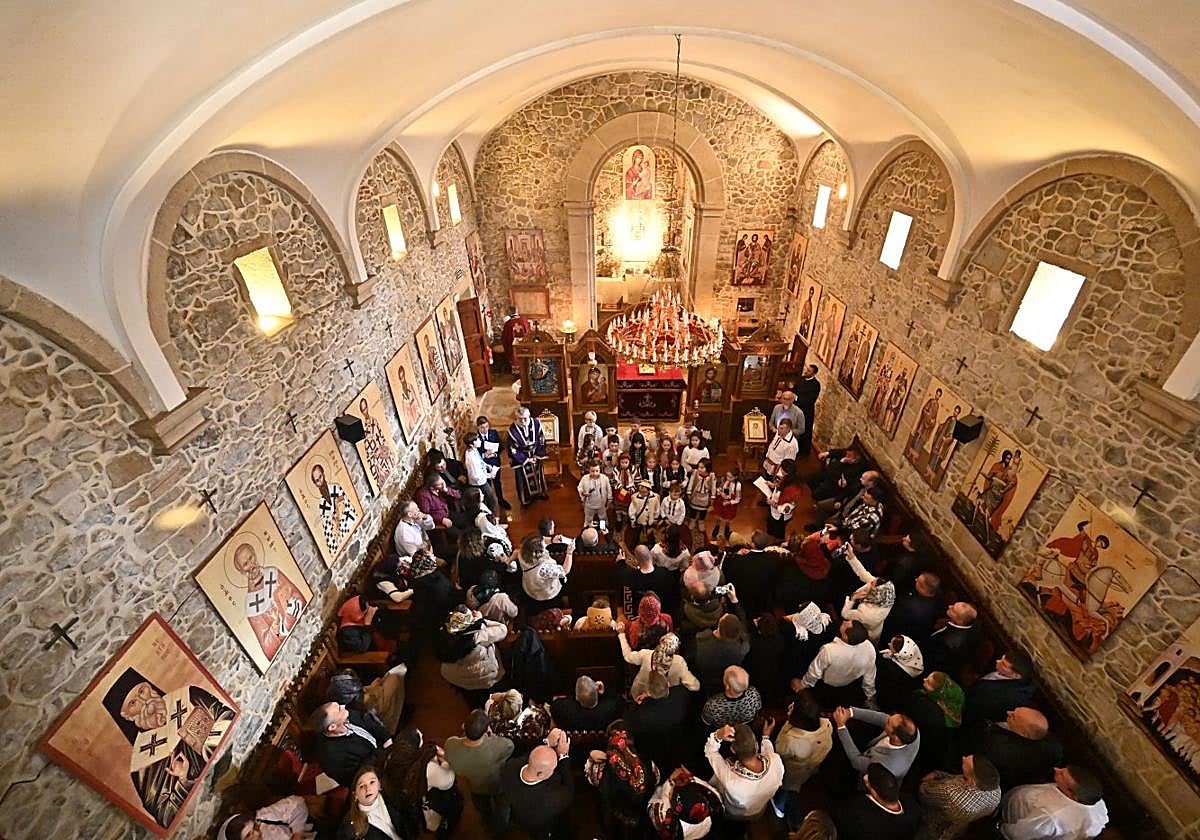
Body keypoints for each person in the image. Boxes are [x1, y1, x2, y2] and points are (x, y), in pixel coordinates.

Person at [704, 722, 785, 832]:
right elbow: (769, 753)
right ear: (756, 745)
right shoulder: (776, 762)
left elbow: (711, 752)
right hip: (758, 811)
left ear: (733, 750)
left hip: (733, 812)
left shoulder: (731, 779)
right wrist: (766, 737)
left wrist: (718, 735)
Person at [444, 709, 514, 836]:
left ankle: (486, 820)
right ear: (487, 730)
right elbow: (510, 747)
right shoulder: (497, 746)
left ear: (464, 726)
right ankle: (500, 829)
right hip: (497, 783)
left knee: (482, 807)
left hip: (476, 787)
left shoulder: (450, 744)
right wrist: (491, 736)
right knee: (502, 807)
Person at [770, 692, 833, 828]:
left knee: (786, 790)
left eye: (793, 707)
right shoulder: (827, 725)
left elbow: (779, 751)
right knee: (795, 789)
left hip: (791, 772)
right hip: (809, 769)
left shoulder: (791, 738)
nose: (790, 707)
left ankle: (780, 808)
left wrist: (787, 723)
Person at [585, 724, 659, 839]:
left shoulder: (600, 769)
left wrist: (591, 757)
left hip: (612, 814)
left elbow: (590, 778)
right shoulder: (649, 764)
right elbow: (656, 780)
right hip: (639, 813)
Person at [999, 765, 1108, 839]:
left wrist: (1002, 828)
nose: (1056, 769)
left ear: (1072, 795)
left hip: (1010, 819)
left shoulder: (1052, 817)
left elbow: (1019, 833)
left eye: (1062, 775)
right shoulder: (1093, 799)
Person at [501, 732, 575, 839]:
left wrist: (547, 743)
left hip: (519, 816)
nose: (554, 771)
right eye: (553, 769)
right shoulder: (551, 798)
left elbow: (530, 757)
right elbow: (569, 792)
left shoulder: (510, 766)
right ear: (540, 774)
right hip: (540, 825)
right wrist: (563, 756)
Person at [975, 707, 1064, 791]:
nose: (1008, 712)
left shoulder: (997, 747)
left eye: (1013, 717)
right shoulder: (1054, 746)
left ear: (1024, 733)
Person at [309, 700, 393, 788]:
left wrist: (386, 738)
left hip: (384, 748)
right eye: (339, 709)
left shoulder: (345, 715)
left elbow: (368, 719)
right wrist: (384, 752)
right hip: (376, 776)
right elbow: (361, 773)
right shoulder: (332, 757)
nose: (343, 706)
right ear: (332, 727)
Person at [916, 754, 1001, 840]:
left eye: (965, 764)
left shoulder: (950, 792)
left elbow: (924, 794)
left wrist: (926, 783)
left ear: (972, 782)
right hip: (961, 826)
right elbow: (960, 779)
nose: (963, 757)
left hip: (939, 823)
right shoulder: (997, 791)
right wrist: (939, 774)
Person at [436, 606, 509, 704]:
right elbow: (503, 629)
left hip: (457, 679)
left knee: (472, 699)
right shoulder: (479, 636)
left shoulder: (444, 640)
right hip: (485, 678)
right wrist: (481, 620)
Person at [832, 763, 921, 840]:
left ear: (874, 792)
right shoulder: (913, 806)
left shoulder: (856, 815)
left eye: (868, 781)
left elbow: (837, 818)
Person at [801, 619, 877, 706]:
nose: (844, 622)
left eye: (846, 625)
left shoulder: (829, 650)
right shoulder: (869, 648)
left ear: (845, 637)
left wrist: (804, 684)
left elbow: (815, 671)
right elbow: (869, 676)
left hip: (825, 688)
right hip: (847, 688)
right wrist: (870, 695)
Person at [964, 649, 1037, 730]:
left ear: (1016, 676)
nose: (997, 661)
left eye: (1004, 664)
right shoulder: (1004, 673)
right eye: (1001, 659)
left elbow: (977, 709)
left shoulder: (1005, 696)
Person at [337, 765, 417, 840]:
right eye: (361, 786)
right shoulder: (349, 828)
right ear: (355, 795)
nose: (367, 788)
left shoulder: (393, 798)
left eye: (372, 782)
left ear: (379, 785)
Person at [618, 629, 700, 697]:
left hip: (640, 694)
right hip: (665, 697)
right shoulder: (679, 661)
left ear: (660, 644)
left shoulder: (646, 654)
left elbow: (627, 656)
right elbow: (694, 686)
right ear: (675, 649)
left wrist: (621, 634)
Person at [648, 766, 724, 839]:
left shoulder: (665, 818)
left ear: (675, 809)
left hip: (688, 832)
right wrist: (686, 775)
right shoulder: (714, 798)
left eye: (675, 789)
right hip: (703, 829)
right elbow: (693, 779)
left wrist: (669, 782)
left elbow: (651, 799)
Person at [695, 612, 751, 697]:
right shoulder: (743, 647)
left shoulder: (702, 644)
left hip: (708, 682)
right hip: (729, 681)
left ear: (719, 629)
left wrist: (711, 633)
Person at [923, 602, 980, 679]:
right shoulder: (972, 623)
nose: (949, 606)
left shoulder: (947, 643)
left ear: (960, 621)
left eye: (953, 610)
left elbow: (931, 661)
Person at [883, 572, 943, 643]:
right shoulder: (936, 594)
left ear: (923, 589)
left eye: (918, 581)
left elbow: (893, 620)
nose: (915, 579)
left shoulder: (912, 608)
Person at [218, 795, 311, 840]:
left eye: (254, 827)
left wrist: (297, 834)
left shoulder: (263, 819)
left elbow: (298, 803)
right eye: (248, 836)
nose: (257, 834)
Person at [518, 532, 572, 608]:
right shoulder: (544, 569)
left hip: (529, 585)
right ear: (538, 553)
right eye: (544, 547)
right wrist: (569, 553)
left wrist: (552, 541)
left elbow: (539, 541)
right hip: (544, 593)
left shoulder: (522, 553)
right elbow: (565, 571)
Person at [508, 406, 548, 506]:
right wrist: (526, 459)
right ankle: (526, 499)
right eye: (520, 419)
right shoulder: (512, 430)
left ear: (529, 416)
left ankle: (540, 493)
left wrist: (537, 455)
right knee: (523, 479)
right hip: (522, 458)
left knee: (539, 475)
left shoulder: (536, 423)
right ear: (516, 418)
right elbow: (512, 448)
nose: (523, 421)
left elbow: (541, 439)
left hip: (535, 455)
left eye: (525, 418)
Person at [551, 675, 621, 731]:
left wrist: (571, 698)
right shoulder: (609, 710)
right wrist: (605, 690)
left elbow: (555, 704)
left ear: (576, 698)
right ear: (597, 693)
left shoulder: (564, 711)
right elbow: (618, 699)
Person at [842, 573, 898, 644]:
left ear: (876, 592)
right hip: (877, 631)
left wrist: (853, 598)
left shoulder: (866, 614)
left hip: (865, 634)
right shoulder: (887, 596)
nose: (870, 583)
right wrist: (852, 561)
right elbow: (862, 572)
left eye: (872, 583)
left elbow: (845, 614)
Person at [876, 635, 925, 711]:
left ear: (899, 654)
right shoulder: (914, 661)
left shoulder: (892, 671)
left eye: (891, 645)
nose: (889, 644)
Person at [485, 688, 552, 743]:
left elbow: (490, 701)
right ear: (520, 708)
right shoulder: (533, 720)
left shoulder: (494, 720)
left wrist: (502, 697)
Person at [476, 415, 509, 510]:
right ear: (478, 427)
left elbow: (501, 447)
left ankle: (501, 500)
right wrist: (484, 455)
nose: (485, 429)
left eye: (487, 426)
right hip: (483, 464)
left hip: (495, 462)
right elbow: (476, 453)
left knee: (497, 482)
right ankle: (489, 503)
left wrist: (494, 454)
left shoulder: (493, 433)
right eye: (482, 427)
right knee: (487, 485)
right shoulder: (476, 438)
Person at [766, 460, 804, 540]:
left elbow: (785, 510)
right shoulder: (788, 478)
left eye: (781, 469)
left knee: (777, 530)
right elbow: (781, 486)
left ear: (786, 471)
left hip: (781, 516)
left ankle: (776, 540)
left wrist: (772, 503)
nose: (780, 471)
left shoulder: (793, 491)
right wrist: (773, 485)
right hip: (774, 509)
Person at [463, 431, 499, 515]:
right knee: (492, 501)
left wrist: (487, 465)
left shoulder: (473, 450)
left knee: (488, 501)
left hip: (482, 480)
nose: (479, 441)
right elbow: (476, 475)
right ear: (471, 444)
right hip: (480, 483)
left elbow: (479, 460)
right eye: (477, 439)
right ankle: (494, 520)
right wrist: (489, 475)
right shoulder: (471, 457)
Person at [793, 364, 821, 456]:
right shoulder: (801, 379)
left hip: (805, 411)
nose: (806, 371)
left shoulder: (815, 385)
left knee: (803, 431)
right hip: (795, 407)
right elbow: (795, 389)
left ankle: (800, 450)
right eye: (807, 369)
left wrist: (796, 398)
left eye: (809, 371)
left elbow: (810, 400)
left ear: (814, 374)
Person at [710, 467, 742, 541]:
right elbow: (720, 488)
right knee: (718, 517)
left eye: (730, 477)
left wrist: (729, 502)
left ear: (736, 477)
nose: (728, 478)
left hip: (730, 505)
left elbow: (738, 499)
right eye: (727, 476)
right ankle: (715, 533)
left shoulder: (737, 486)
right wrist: (720, 491)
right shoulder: (724, 480)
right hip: (721, 502)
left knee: (727, 520)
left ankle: (726, 534)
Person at [577, 459, 612, 525]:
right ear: (589, 470)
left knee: (602, 518)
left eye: (597, 471)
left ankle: (603, 529)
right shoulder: (585, 478)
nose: (595, 473)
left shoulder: (604, 478)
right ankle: (588, 530)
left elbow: (609, 489)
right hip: (589, 504)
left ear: (600, 470)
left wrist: (609, 499)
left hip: (601, 503)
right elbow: (579, 487)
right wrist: (583, 493)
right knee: (588, 518)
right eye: (592, 471)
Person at [685, 459, 716, 531]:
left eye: (702, 468)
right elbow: (691, 483)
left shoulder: (712, 476)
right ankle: (692, 520)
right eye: (699, 467)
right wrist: (689, 492)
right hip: (696, 496)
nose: (699, 469)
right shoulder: (695, 473)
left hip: (705, 497)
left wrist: (713, 496)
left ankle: (701, 522)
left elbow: (713, 487)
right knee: (693, 510)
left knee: (703, 511)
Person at [627, 479, 660, 545]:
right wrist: (633, 520)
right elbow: (631, 510)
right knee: (637, 533)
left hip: (650, 520)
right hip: (640, 520)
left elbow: (657, 508)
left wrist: (656, 517)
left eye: (644, 492)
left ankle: (651, 544)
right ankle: (636, 545)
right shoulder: (635, 498)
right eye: (640, 492)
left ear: (649, 490)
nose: (642, 494)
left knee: (650, 534)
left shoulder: (655, 497)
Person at [611, 451, 639, 525]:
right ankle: (619, 518)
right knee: (619, 504)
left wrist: (633, 489)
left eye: (626, 462)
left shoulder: (633, 469)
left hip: (630, 490)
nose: (624, 464)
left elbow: (637, 480)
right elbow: (614, 480)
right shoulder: (616, 470)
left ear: (629, 462)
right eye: (622, 462)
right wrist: (621, 488)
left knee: (628, 504)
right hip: (620, 490)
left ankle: (626, 516)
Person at [501, 305, 531, 374]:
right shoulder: (524, 320)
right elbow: (529, 332)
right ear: (517, 311)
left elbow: (505, 338)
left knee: (516, 360)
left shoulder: (508, 324)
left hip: (513, 348)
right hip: (525, 346)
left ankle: (518, 378)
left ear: (509, 313)